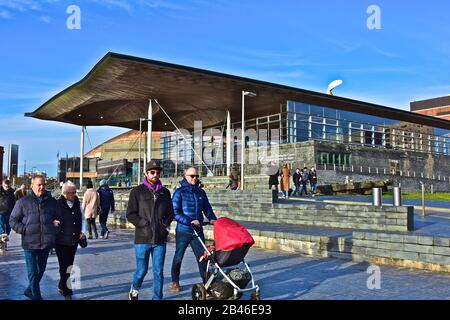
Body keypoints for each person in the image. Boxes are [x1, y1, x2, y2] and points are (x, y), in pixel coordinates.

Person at [126, 160, 174, 300]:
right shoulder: (137, 191)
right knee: (142, 271)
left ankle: (157, 298)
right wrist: (144, 224)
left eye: (157, 172)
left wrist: (164, 223)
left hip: (160, 239)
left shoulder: (165, 192)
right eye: (152, 172)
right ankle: (135, 288)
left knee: (158, 272)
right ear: (146, 173)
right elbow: (130, 214)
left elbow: (170, 213)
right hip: (142, 239)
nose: (155, 174)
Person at [9, 175, 61, 300]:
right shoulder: (23, 202)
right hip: (30, 243)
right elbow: (13, 220)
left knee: (40, 271)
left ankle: (29, 290)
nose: (42, 187)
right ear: (32, 185)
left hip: (45, 243)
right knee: (32, 273)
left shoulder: (52, 202)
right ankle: (37, 297)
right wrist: (25, 230)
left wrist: (54, 228)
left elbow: (59, 218)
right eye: (39, 185)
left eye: (43, 184)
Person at [170, 167, 217, 292]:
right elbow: (175, 212)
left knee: (203, 258)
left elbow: (207, 209)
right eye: (192, 176)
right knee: (178, 257)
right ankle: (175, 281)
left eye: (196, 176)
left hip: (198, 230)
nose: (195, 178)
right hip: (183, 231)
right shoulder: (179, 192)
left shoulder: (201, 192)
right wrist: (189, 221)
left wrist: (213, 219)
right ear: (186, 176)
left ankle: (207, 284)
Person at [55, 181, 86, 300]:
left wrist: (83, 231)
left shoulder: (78, 204)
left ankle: (61, 283)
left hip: (73, 240)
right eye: (71, 193)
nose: (73, 194)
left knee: (70, 265)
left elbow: (83, 219)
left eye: (74, 192)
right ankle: (67, 291)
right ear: (64, 193)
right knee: (64, 266)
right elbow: (51, 217)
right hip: (60, 240)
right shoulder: (57, 204)